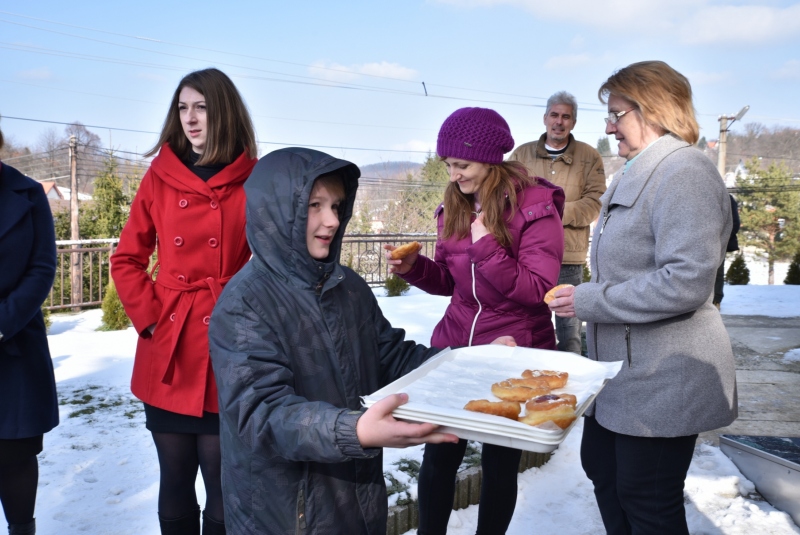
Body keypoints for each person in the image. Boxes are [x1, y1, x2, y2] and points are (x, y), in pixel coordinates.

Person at [208, 147, 514, 534]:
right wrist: (354, 432)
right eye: (314, 205)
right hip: (285, 514)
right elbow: (262, 414)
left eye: (336, 205)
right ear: (277, 212)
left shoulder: (347, 287)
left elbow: (393, 357)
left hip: (357, 500)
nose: (331, 220)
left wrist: (473, 363)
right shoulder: (245, 303)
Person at [548, 60, 737, 535]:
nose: (608, 126)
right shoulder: (642, 170)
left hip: (662, 375)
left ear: (652, 109)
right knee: (605, 473)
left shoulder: (684, 172)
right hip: (624, 375)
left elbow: (686, 280)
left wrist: (589, 300)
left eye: (616, 113)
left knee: (647, 498)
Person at [388, 107, 565, 535]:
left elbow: (536, 286)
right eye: (448, 164)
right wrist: (415, 268)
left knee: (499, 465)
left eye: (461, 165)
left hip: (513, 353)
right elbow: (452, 283)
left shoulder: (537, 208)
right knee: (439, 455)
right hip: (458, 349)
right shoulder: (454, 206)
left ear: (489, 159)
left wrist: (486, 246)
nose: (453, 174)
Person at [111, 68, 257, 535]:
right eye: (182, 108)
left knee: (221, 479)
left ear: (224, 112)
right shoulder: (160, 176)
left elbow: (272, 261)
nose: (190, 119)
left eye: (202, 107)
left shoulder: (254, 178)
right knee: (174, 477)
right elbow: (126, 258)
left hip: (227, 342)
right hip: (170, 344)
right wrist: (151, 321)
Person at [509, 91, 607, 354]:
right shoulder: (521, 155)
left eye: (566, 116)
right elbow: (505, 199)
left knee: (569, 332)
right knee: (526, 326)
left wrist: (551, 213)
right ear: (544, 118)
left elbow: (595, 203)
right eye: (554, 115)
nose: (559, 121)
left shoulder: (589, 157)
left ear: (573, 122)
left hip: (569, 257)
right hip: (526, 257)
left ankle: (573, 390)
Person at [0, 121, 59, 535]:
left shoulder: (29, 193)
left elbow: (42, 267)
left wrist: (2, 322)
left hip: (14, 345)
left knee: (16, 457)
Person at [713, 194, 740, 309]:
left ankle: (716, 301)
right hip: (698, 241)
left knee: (717, 272)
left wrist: (722, 239)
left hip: (719, 242)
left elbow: (735, 223)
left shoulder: (726, 198)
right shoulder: (698, 196)